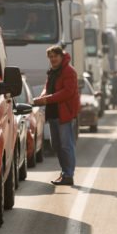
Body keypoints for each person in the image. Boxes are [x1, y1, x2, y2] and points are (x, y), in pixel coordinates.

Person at [33, 46, 79, 186]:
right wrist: (42, 96)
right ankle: (65, 172)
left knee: (66, 145)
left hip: (64, 114)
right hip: (53, 113)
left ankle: (68, 175)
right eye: (51, 57)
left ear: (61, 56)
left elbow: (68, 92)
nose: (53, 59)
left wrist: (47, 99)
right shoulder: (52, 71)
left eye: (55, 56)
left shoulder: (69, 71)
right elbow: (48, 88)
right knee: (56, 145)